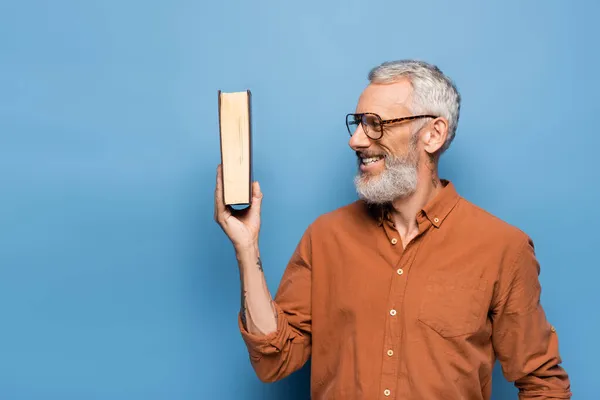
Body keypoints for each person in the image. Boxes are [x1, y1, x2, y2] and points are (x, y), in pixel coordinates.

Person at [214, 59, 572, 399]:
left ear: (433, 134)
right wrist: (247, 248)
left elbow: (543, 383)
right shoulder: (325, 237)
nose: (356, 140)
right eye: (357, 123)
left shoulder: (502, 249)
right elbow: (274, 360)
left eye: (375, 123)